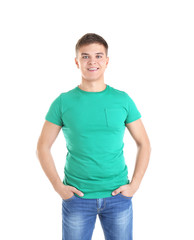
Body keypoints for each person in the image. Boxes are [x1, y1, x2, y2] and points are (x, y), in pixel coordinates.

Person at [36, 33, 151, 240]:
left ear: (107, 61)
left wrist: (135, 184)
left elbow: (144, 143)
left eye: (98, 56)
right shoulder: (63, 102)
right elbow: (43, 146)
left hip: (118, 196)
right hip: (77, 198)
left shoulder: (122, 99)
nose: (92, 62)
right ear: (76, 61)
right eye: (85, 56)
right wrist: (58, 187)